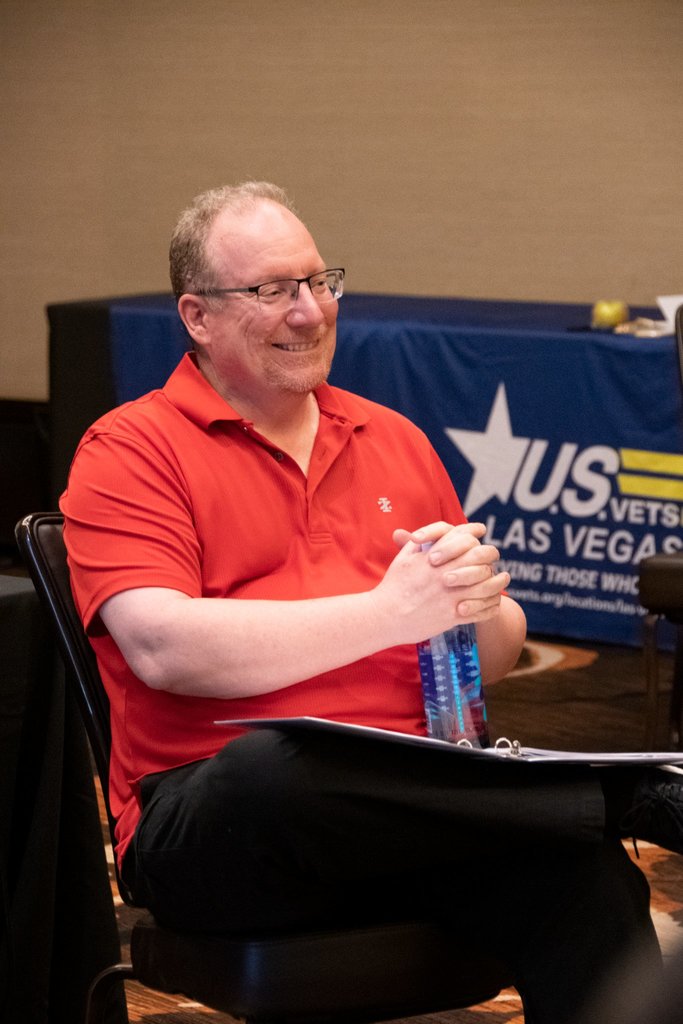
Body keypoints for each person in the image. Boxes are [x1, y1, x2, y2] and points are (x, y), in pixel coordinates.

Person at [61, 181, 678, 1023]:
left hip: (412, 816)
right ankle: (622, 799)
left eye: (320, 282)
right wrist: (390, 613)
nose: (310, 311)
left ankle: (586, 811)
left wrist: (474, 602)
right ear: (197, 316)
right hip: (221, 829)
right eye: (272, 290)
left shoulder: (391, 437)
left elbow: (491, 654)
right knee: (274, 767)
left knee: (587, 879)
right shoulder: (131, 448)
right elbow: (163, 648)